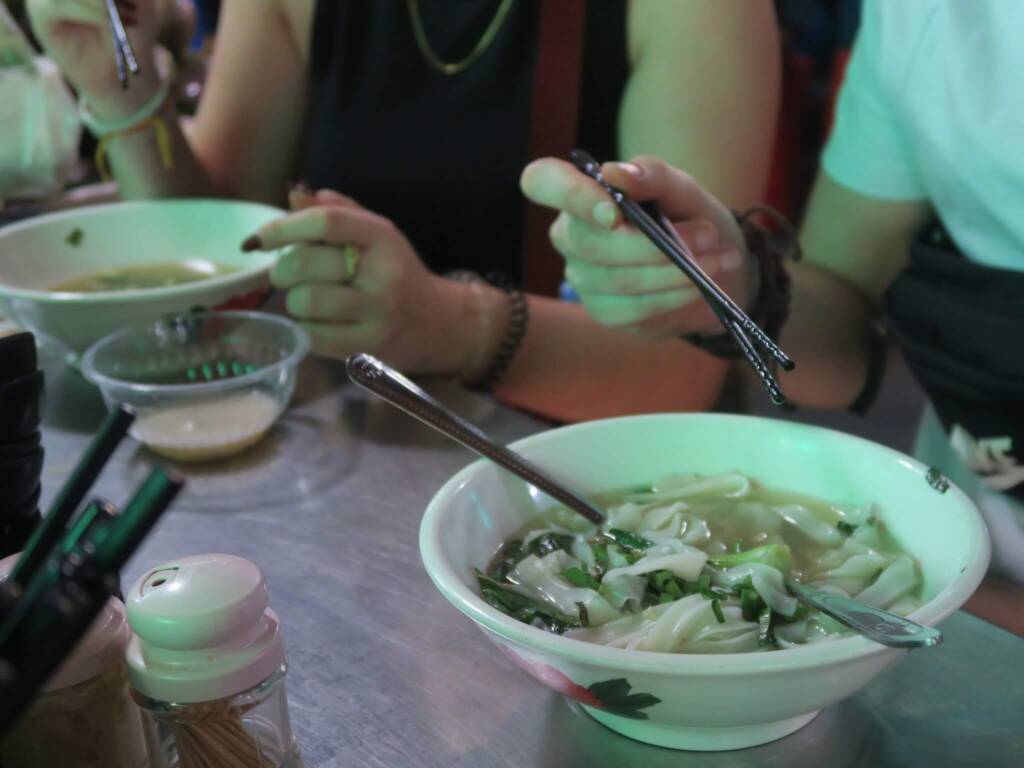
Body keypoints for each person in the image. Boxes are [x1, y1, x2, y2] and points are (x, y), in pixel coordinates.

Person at [25, 0, 779, 422]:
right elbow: (218, 258)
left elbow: (689, 365)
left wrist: (455, 325)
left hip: (582, 476)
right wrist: (124, 96)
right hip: (350, 462)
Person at [521, 0, 1024, 588]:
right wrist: (737, 279)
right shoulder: (926, 15)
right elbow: (851, 328)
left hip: (966, 586)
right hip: (970, 538)